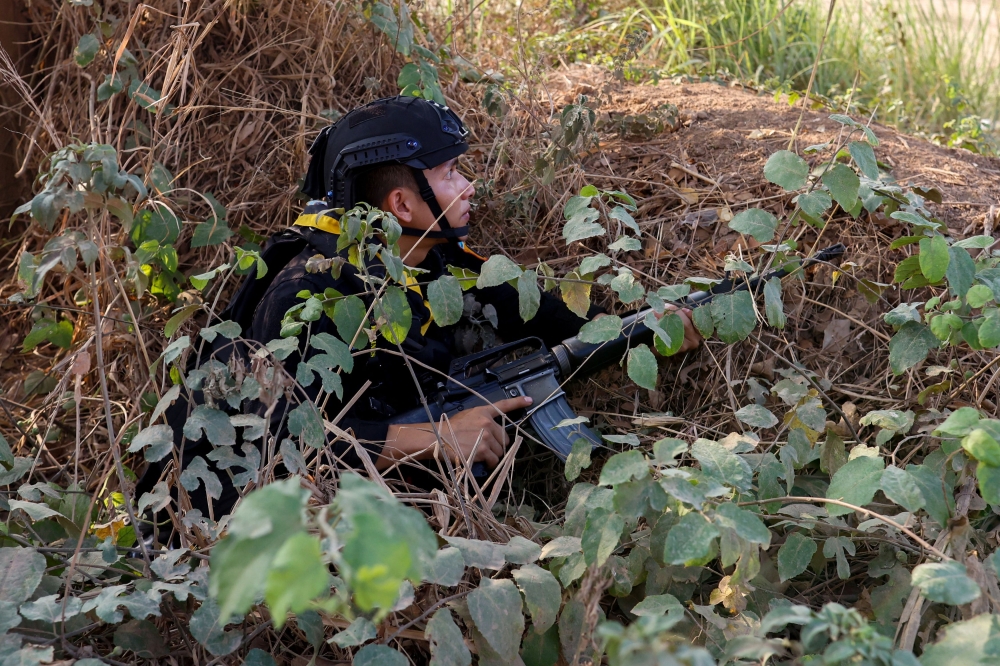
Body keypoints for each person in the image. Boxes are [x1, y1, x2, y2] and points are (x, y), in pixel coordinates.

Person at [140, 96, 700, 522]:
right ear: (402, 204)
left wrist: (655, 328)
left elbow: (565, 327)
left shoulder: (437, 261)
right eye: (451, 173)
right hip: (232, 525)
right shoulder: (311, 294)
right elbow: (276, 439)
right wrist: (435, 436)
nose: (470, 185)